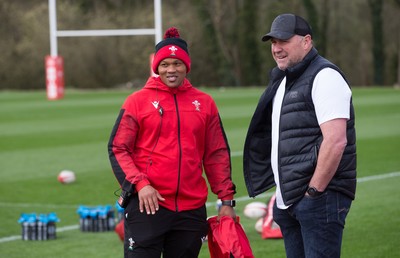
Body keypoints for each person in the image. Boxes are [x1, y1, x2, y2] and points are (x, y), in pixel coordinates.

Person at [108, 27, 236, 258]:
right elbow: (118, 148)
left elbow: (216, 153)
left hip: (191, 209)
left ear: (187, 66)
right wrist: (140, 184)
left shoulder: (205, 103)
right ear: (156, 67)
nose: (171, 69)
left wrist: (226, 199)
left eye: (177, 63)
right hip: (147, 205)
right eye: (165, 64)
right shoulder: (137, 101)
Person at [243, 14, 356, 258]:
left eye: (283, 41)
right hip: (290, 201)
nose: (276, 49)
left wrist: (313, 193)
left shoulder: (325, 76)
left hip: (319, 199)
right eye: (273, 43)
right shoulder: (284, 80)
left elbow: (336, 141)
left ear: (306, 41)